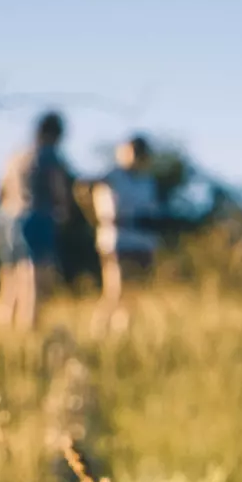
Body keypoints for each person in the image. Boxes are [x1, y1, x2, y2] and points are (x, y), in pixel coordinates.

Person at [0, 111, 73, 331]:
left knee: (9, 283)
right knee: (34, 282)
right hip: (36, 217)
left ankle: (4, 337)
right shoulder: (49, 155)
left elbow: (0, 191)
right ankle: (29, 335)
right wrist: (64, 212)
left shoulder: (15, 156)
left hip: (6, 219)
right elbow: (59, 188)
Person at [89, 135, 161, 336]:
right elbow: (84, 188)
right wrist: (98, 219)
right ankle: (99, 333)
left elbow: (151, 212)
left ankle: (123, 335)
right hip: (116, 241)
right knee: (115, 292)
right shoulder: (112, 175)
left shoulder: (148, 181)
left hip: (142, 242)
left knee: (135, 293)